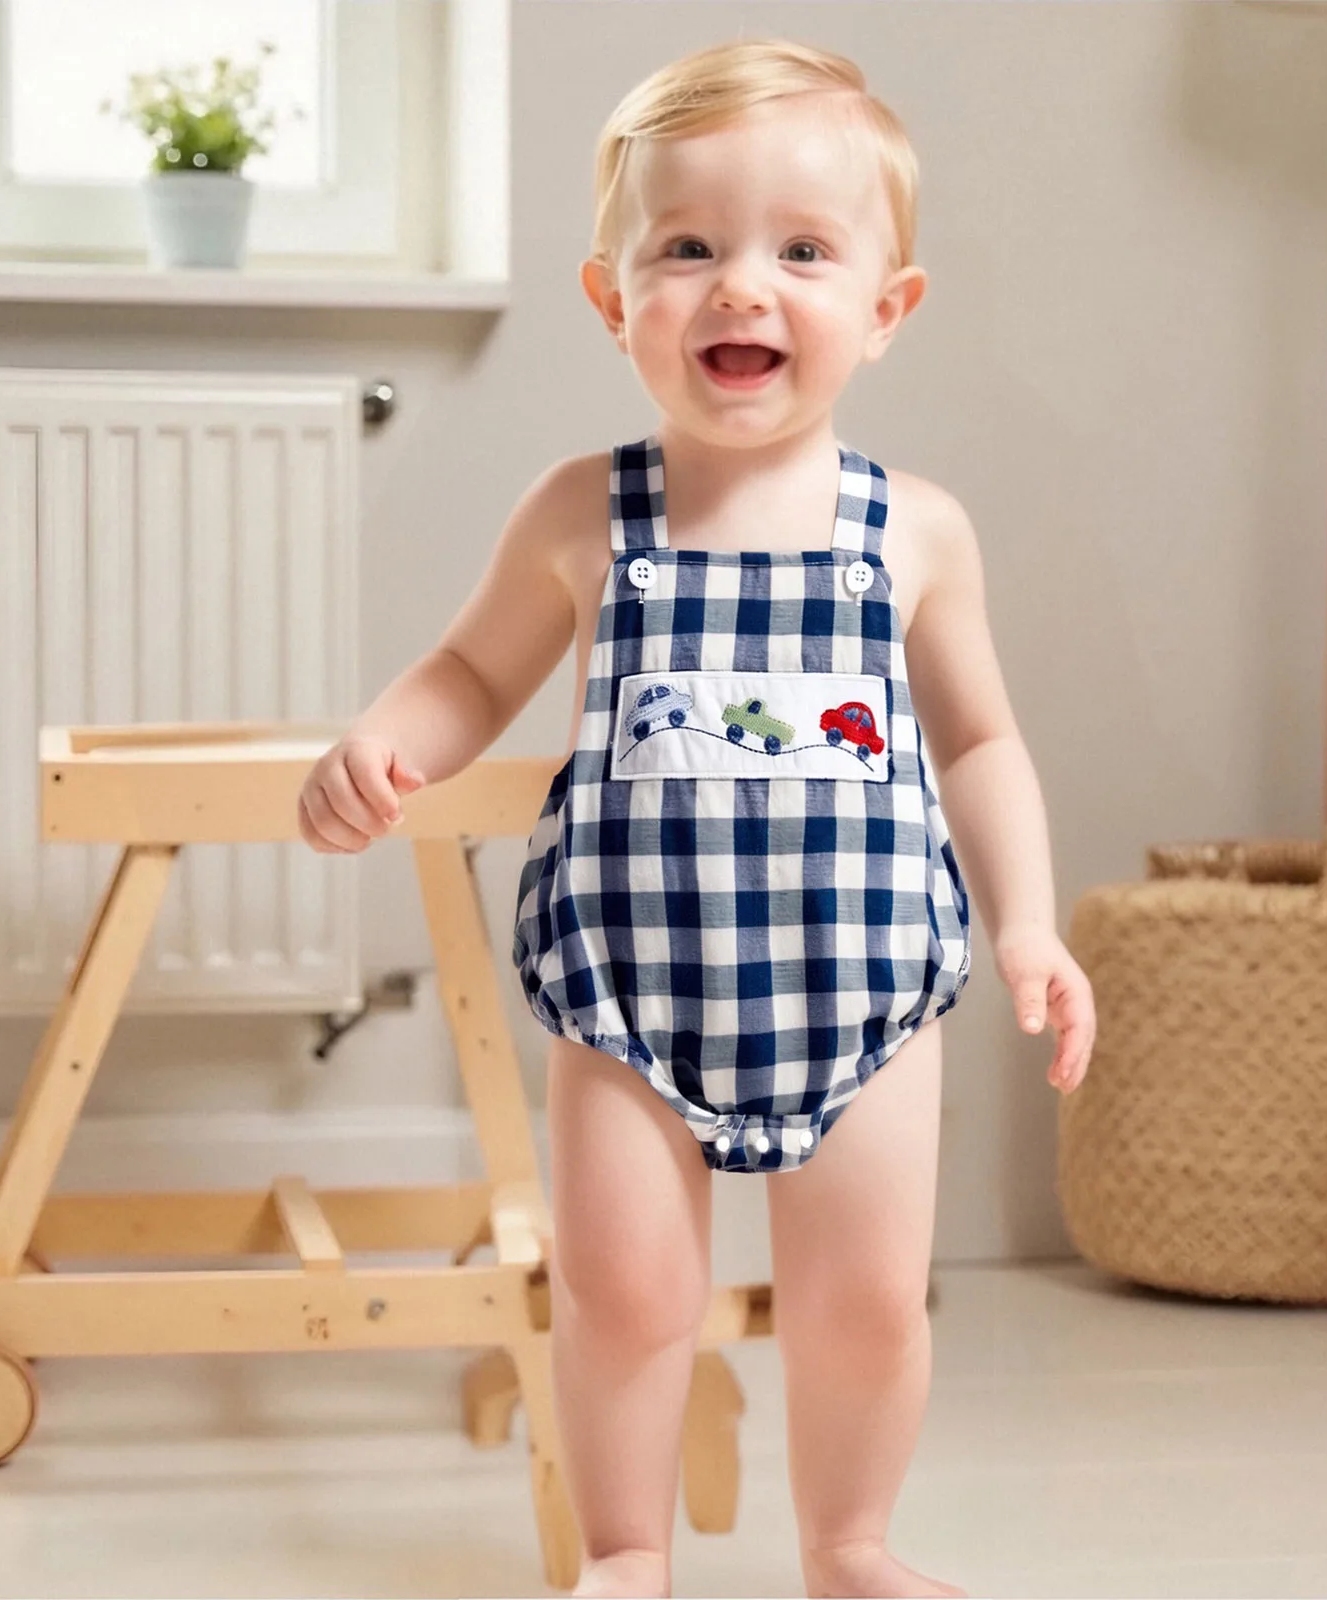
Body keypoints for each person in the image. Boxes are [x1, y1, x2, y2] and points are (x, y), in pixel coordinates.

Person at [298, 38, 1096, 1600]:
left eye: (802, 250)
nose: (741, 286)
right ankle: (625, 1550)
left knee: (866, 1304)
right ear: (613, 300)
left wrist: (1028, 924)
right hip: (633, 994)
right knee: (623, 1296)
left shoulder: (915, 534)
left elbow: (983, 739)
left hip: (864, 992)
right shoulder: (583, 514)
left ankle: (850, 1543)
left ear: (886, 307)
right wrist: (385, 744)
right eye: (687, 248)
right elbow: (473, 671)